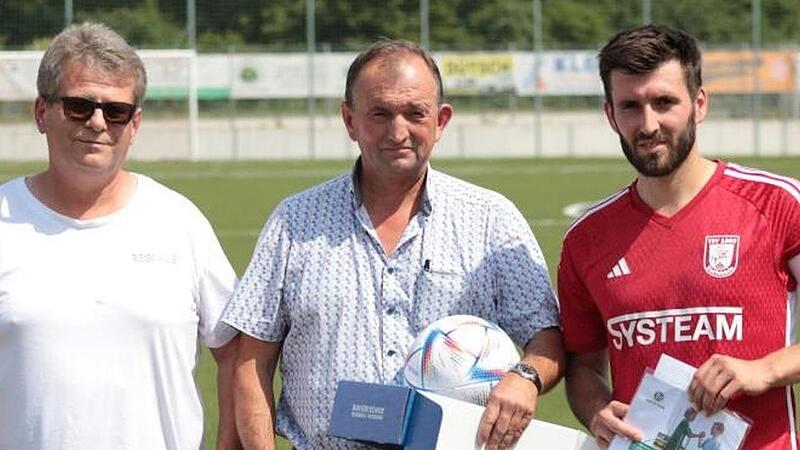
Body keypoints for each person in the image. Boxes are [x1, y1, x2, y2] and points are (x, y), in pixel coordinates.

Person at [222, 39, 564, 450]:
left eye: (414, 113)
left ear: (441, 120)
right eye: (379, 113)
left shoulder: (491, 218)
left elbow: (548, 339)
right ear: (349, 120)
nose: (397, 132)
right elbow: (251, 361)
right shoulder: (295, 222)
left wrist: (525, 378)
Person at [557, 24, 800, 450]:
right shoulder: (586, 240)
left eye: (664, 102)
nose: (648, 124)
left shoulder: (778, 204)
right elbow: (583, 365)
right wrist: (597, 408)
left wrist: (763, 369)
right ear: (611, 115)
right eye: (631, 106)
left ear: (699, 104)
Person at [0, 23, 240, 449]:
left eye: (116, 111)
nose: (97, 123)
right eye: (78, 106)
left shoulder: (179, 221)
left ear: (135, 124)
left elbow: (237, 352)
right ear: (42, 113)